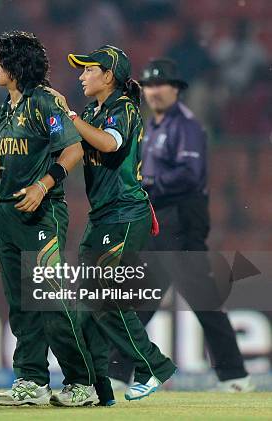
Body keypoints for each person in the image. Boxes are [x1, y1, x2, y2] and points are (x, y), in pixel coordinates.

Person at [107, 58, 253, 393]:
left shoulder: (185, 126)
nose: (155, 91)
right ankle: (117, 371)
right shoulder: (154, 127)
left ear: (176, 90)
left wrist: (147, 182)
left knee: (197, 297)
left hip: (182, 219)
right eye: (150, 85)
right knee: (143, 298)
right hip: (161, 219)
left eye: (162, 85)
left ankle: (235, 376)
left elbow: (189, 175)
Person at [0, 31, 98, 408]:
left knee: (50, 300)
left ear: (17, 64)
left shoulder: (45, 102)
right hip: (7, 214)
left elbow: (72, 148)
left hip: (43, 213)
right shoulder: (7, 106)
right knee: (20, 304)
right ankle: (32, 381)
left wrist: (42, 186)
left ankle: (82, 382)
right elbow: (0, 163)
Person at [65, 45, 176, 403]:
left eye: (88, 70)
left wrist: (70, 119)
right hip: (103, 217)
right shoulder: (91, 110)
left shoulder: (123, 109)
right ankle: (96, 389)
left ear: (108, 76)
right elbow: (80, 146)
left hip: (125, 215)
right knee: (88, 303)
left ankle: (153, 366)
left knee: (103, 301)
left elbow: (109, 145)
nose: (82, 75)